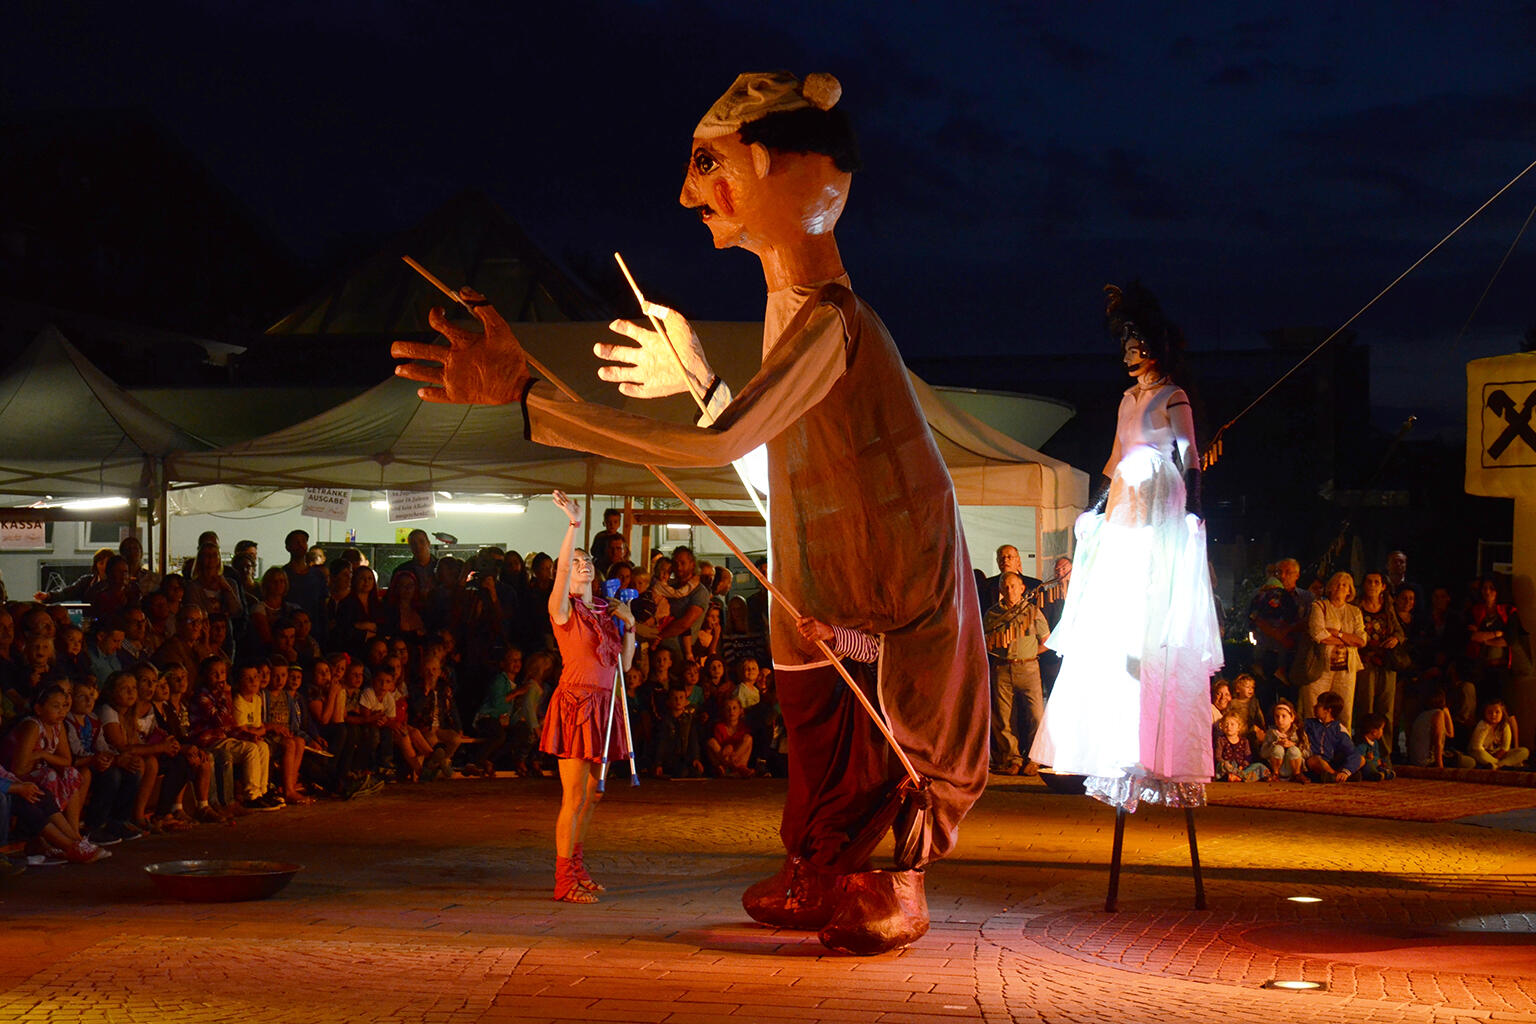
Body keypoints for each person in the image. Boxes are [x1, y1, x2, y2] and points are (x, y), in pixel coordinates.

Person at [392, 69, 987, 955]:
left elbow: (723, 448)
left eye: (708, 164)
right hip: (824, 597)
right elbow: (769, 458)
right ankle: (821, 868)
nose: (687, 191)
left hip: (887, 608)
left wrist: (531, 399)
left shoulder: (834, 321)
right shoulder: (793, 312)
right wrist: (703, 381)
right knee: (818, 745)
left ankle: (885, 880)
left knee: (875, 746)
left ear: (773, 167)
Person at [1029, 283, 1221, 813]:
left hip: (1159, 506)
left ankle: (1156, 712)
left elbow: (1190, 457)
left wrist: (1193, 509)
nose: (1126, 352)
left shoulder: (1171, 397)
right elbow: (1114, 460)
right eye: (1125, 342)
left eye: (1134, 342)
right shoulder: (1128, 400)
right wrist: (1092, 510)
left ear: (1153, 346)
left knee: (1153, 605)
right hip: (1125, 505)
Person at [538, 491, 636, 904]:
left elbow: (625, 666)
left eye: (587, 561)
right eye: (577, 562)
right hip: (576, 705)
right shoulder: (563, 609)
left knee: (594, 796)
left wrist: (629, 625)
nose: (583, 565)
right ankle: (563, 880)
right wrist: (574, 525)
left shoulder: (604, 609)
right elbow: (561, 568)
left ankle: (578, 867)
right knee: (574, 796)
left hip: (606, 707)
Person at [984, 570, 1050, 776]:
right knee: (1004, 717)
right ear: (1001, 589)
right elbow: (985, 642)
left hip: (1029, 668)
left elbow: (1047, 641)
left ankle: (1035, 759)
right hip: (1002, 668)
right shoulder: (992, 614)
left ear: (1022, 589)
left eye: (1014, 586)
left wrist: (1029, 653)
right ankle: (1011, 759)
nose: (1010, 590)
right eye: (1006, 586)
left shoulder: (1033, 612)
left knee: (1036, 715)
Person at [1300, 572, 1366, 731]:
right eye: (1337, 584)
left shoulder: (1355, 611)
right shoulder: (1319, 606)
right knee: (1315, 708)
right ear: (1329, 587)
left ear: (1350, 591)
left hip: (1346, 669)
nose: (1340, 588)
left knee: (1344, 710)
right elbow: (1319, 635)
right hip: (1321, 667)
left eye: (1344, 585)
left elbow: (1361, 640)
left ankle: (1342, 747)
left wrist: (1338, 634)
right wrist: (1348, 640)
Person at [1303, 691, 1362, 783]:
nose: (1315, 707)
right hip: (1314, 763)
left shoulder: (1338, 729)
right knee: (1314, 760)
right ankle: (1336, 776)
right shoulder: (1309, 724)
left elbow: (1352, 752)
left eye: (1319, 705)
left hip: (1331, 762)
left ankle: (1338, 776)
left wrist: (1346, 771)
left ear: (1328, 710)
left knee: (1361, 759)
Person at [1468, 700, 1528, 769]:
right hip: (1483, 753)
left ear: (1502, 713)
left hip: (1498, 754)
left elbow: (1505, 747)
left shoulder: (1505, 725)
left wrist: (1499, 755)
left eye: (1497, 712)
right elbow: (1477, 747)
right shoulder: (1482, 725)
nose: (1493, 715)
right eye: (1490, 712)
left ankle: (1498, 765)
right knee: (1478, 753)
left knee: (1524, 751)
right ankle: (1503, 765)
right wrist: (1493, 758)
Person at [1260, 698, 1308, 782]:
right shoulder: (1271, 733)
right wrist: (1275, 745)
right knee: (1278, 749)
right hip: (1277, 766)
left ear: (1292, 717)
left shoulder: (1299, 732)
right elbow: (1263, 753)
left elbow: (1308, 753)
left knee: (1294, 750)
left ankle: (1297, 774)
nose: (1280, 720)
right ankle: (1275, 773)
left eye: (1284, 716)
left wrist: (1294, 745)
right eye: (1277, 716)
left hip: (1292, 767)